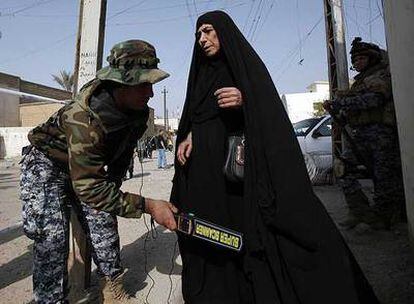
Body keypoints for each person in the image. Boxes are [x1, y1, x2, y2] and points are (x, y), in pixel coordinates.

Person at [171, 11, 379, 304]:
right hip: (208, 181)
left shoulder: (245, 69)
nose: (202, 39)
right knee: (210, 243)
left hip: (240, 178)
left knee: (249, 238)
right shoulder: (201, 75)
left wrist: (245, 101)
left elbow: (269, 115)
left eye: (208, 31)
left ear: (224, 32)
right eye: (198, 34)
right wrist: (189, 135)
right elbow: (195, 115)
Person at [20, 40, 177, 304]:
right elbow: (90, 188)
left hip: (87, 170)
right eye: (143, 84)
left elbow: (119, 159)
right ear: (119, 84)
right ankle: (50, 299)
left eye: (152, 84)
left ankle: (111, 287)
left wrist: (111, 193)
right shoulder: (83, 118)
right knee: (52, 240)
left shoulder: (137, 114)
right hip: (47, 166)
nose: (150, 92)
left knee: (103, 221)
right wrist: (147, 205)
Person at [324, 37, 405, 230]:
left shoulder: (380, 76)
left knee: (384, 176)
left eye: (361, 58)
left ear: (372, 58)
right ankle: (361, 211)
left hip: (381, 134)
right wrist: (339, 111)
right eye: (355, 60)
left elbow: (375, 100)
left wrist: (342, 103)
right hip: (360, 133)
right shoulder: (359, 83)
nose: (357, 63)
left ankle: (388, 217)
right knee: (342, 167)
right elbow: (353, 106)